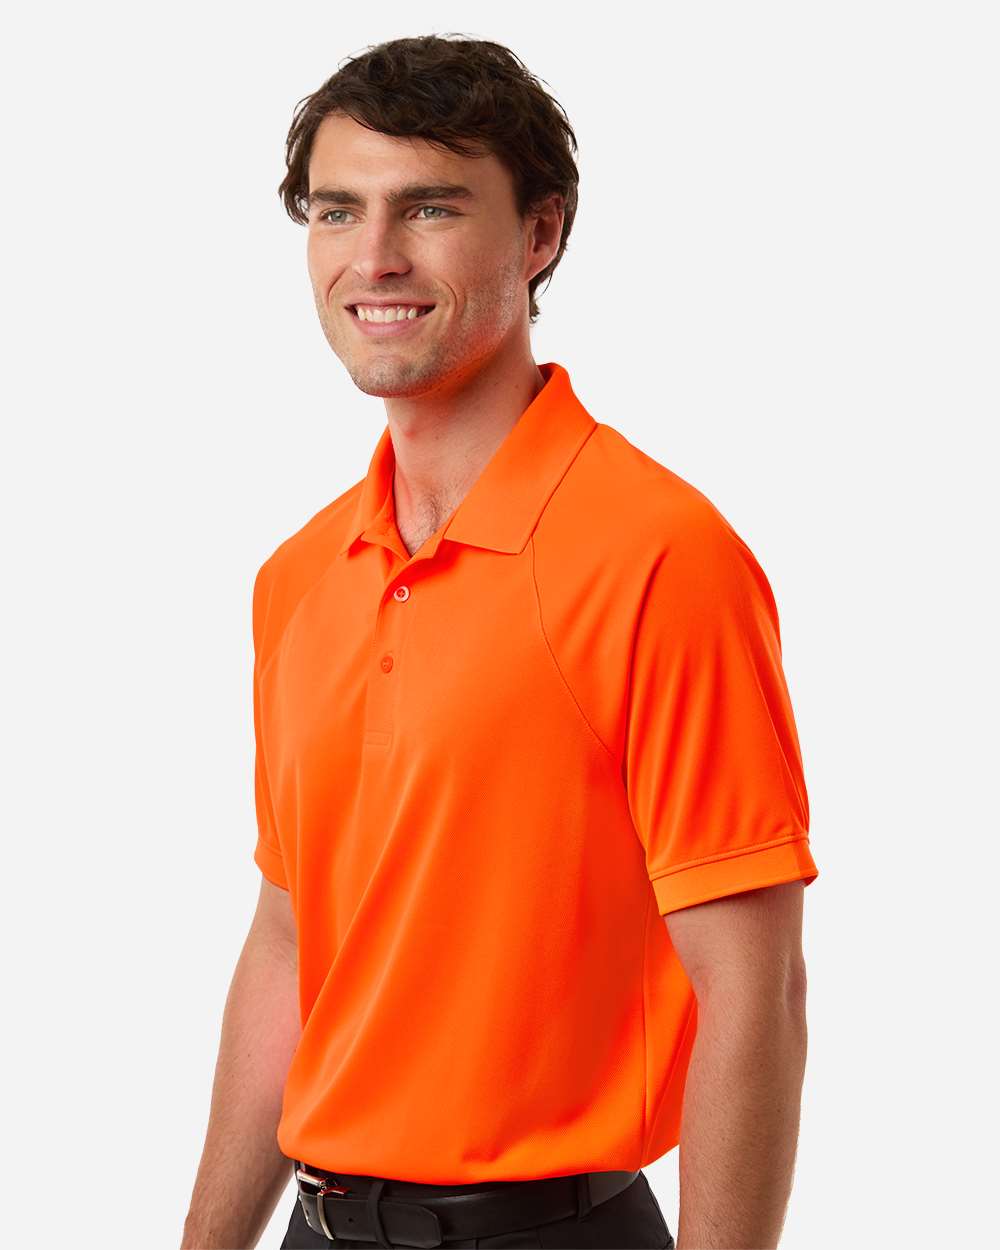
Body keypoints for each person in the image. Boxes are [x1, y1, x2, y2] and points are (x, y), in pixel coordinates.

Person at [181, 34, 819, 1250]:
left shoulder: (658, 553)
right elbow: (290, 941)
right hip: (319, 1225)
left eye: (430, 208)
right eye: (336, 209)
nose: (374, 256)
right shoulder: (299, 577)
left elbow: (752, 987)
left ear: (539, 234)